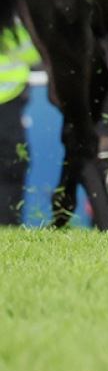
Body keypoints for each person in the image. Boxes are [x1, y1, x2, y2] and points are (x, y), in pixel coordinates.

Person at [0, 17, 32, 225]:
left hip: (10, 99)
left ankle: (8, 222)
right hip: (10, 97)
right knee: (13, 162)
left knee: (13, 163)